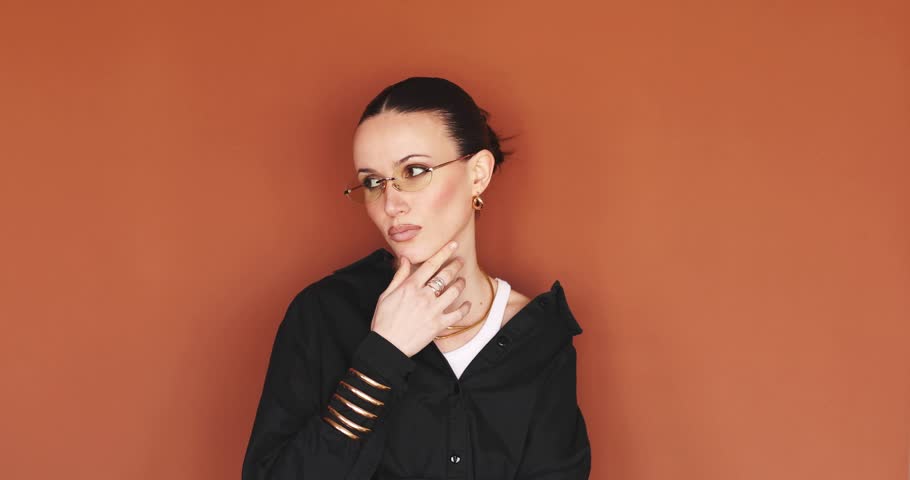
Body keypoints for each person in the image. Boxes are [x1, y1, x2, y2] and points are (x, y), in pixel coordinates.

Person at [241, 77, 590, 479]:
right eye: (373, 182)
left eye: (415, 170)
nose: (391, 202)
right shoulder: (322, 316)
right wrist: (381, 358)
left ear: (478, 174)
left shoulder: (539, 339)